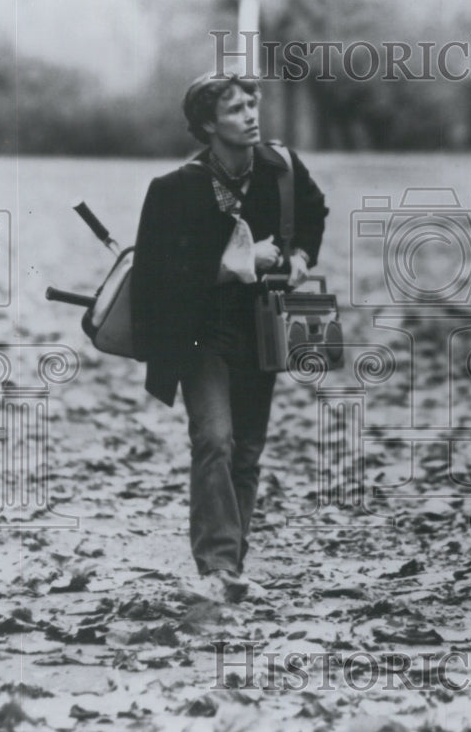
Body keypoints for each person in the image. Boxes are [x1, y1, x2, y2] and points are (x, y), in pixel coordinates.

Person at [131, 72, 327, 604]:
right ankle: (216, 566)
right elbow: (155, 276)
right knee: (214, 439)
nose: (250, 115)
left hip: (259, 323)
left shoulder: (281, 168)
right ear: (207, 125)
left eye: (251, 104)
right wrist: (240, 262)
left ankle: (232, 568)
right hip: (199, 333)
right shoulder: (174, 189)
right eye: (236, 109)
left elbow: (314, 212)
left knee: (247, 449)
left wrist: (302, 258)